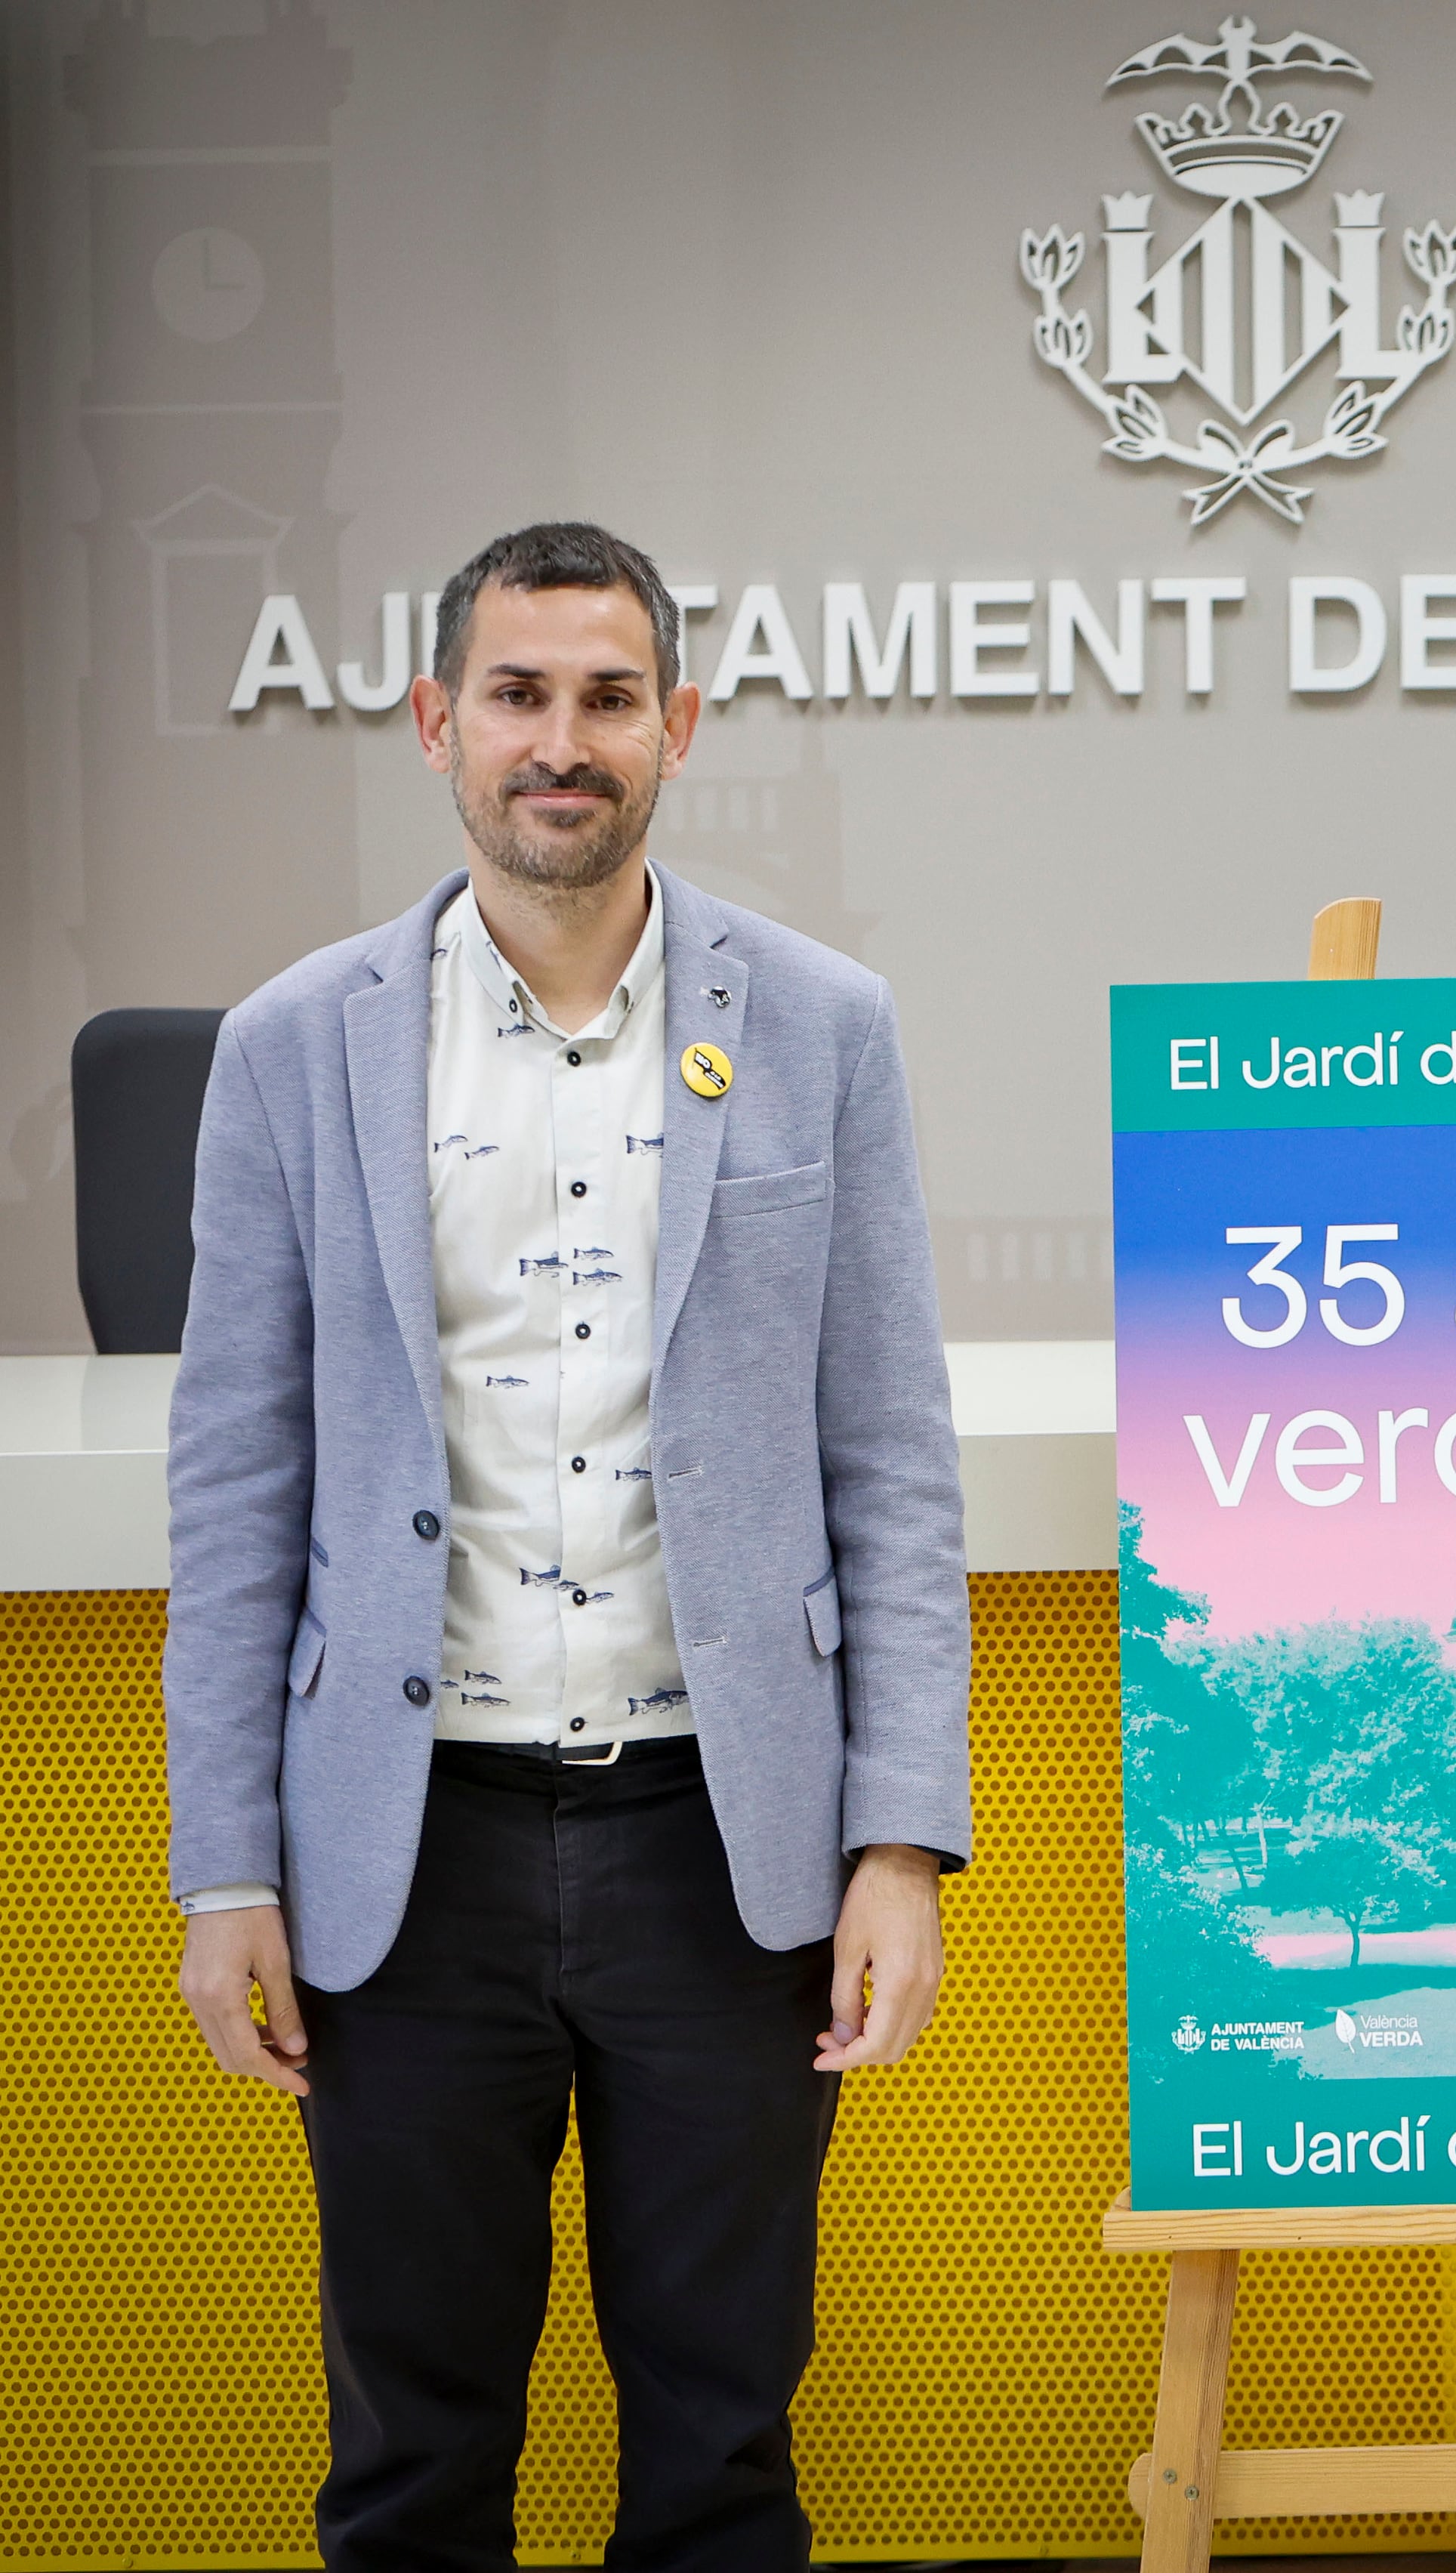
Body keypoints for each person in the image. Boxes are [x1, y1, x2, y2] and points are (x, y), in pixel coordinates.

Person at [165, 522, 973, 2571]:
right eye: (518, 693)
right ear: (439, 721)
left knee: (718, 2451)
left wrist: (898, 1841)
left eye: (609, 696)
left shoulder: (821, 1022)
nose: (563, 740)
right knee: (413, 2458)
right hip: (398, 1854)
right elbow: (238, 1473)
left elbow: (889, 1453)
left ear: (675, 728)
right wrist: (225, 1863)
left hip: (725, 1842)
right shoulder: (294, 1046)